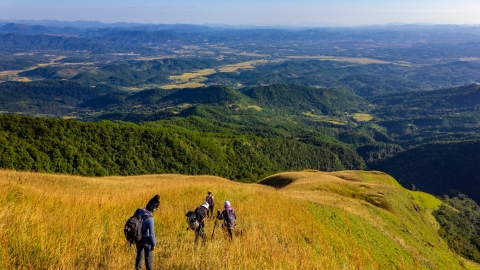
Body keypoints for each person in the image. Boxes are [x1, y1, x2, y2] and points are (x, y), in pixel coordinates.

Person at [135, 195, 160, 270]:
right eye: (156, 208)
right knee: (148, 260)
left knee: (139, 256)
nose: (156, 210)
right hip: (147, 241)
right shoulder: (150, 219)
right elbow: (152, 234)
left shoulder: (138, 211)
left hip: (138, 239)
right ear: (153, 208)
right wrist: (154, 244)